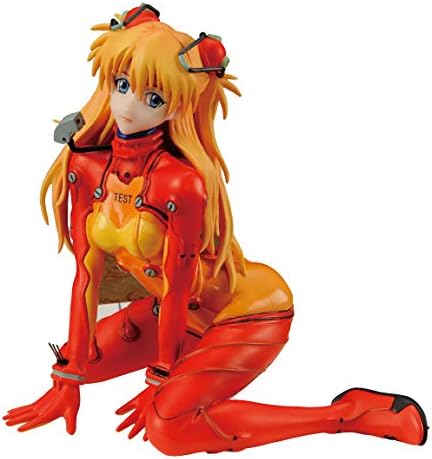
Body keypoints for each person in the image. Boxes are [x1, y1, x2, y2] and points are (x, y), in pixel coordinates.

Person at [3, 4, 428, 455]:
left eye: (153, 98)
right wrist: (68, 381)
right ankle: (175, 375)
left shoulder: (180, 183)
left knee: (168, 429)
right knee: (77, 355)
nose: (127, 106)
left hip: (244, 311)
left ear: (179, 103)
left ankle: (347, 416)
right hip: (174, 314)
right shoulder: (86, 166)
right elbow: (86, 277)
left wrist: (162, 380)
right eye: (121, 85)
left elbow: (177, 287)